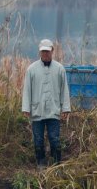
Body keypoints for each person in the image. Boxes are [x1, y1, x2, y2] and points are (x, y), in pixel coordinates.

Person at [22, 38, 71, 167]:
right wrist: (26, 108)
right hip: (36, 110)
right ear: (39, 52)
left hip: (53, 110)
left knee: (54, 138)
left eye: (47, 51)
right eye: (43, 51)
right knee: (38, 140)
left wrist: (65, 108)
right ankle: (41, 163)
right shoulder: (31, 69)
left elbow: (64, 89)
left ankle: (56, 163)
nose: (45, 54)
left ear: (52, 51)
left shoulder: (60, 69)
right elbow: (27, 90)